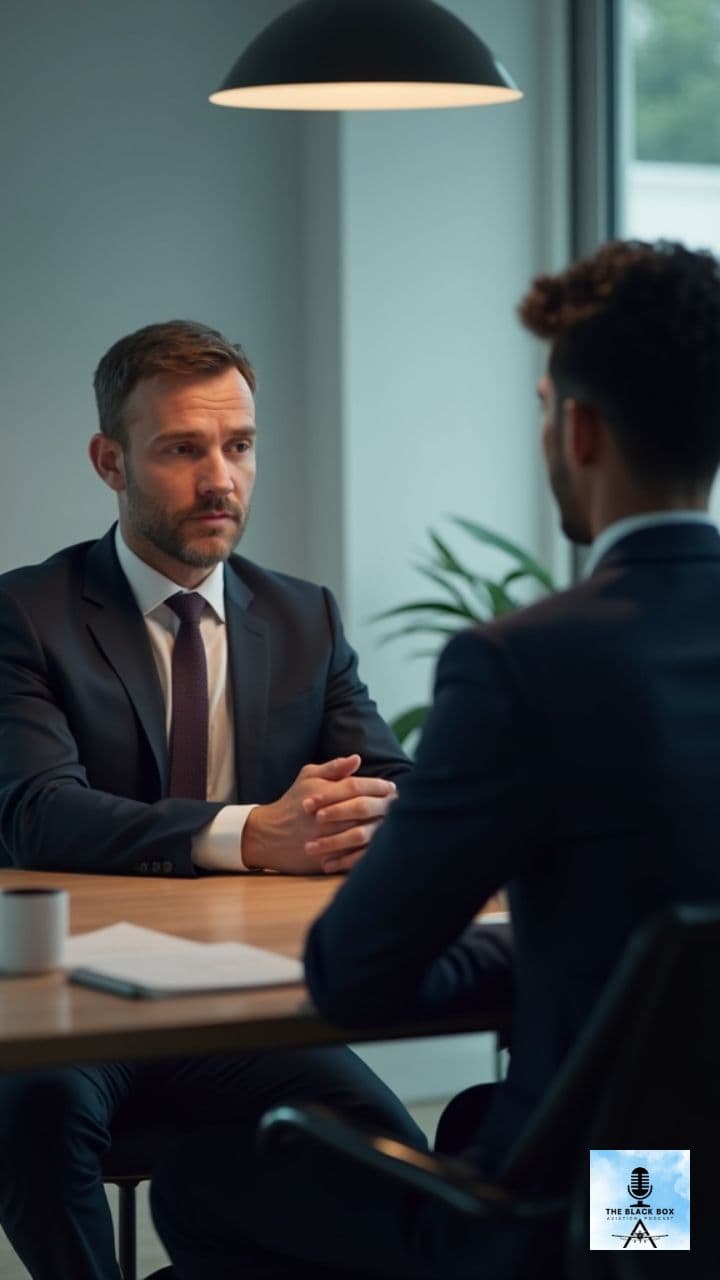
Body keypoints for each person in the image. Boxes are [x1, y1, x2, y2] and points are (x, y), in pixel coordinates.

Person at [150, 240, 720, 1278]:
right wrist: (564, 948)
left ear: (579, 429)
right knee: (474, 1120)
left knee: (201, 1179)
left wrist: (533, 949)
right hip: (677, 1198)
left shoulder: (530, 664)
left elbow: (357, 974)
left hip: (611, 1216)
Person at [0, 320, 428, 1280]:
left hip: (240, 1002)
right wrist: (253, 835)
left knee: (399, 1166)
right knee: (34, 1126)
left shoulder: (303, 615)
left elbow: (391, 786)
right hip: (73, 1000)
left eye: (238, 446)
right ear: (110, 461)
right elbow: (37, 813)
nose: (220, 479)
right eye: (182, 450)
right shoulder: (25, 612)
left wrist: (362, 817)